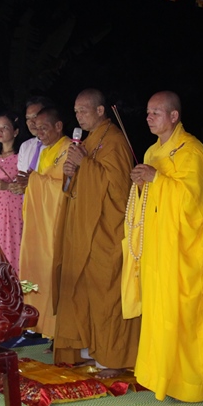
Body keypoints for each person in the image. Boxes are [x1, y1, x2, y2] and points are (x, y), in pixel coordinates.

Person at [123, 91, 203, 401]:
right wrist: (142, 185)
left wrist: (158, 181)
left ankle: (191, 383)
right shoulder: (153, 151)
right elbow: (148, 202)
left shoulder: (192, 151)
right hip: (156, 249)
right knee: (159, 314)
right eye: (148, 112)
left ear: (174, 116)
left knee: (186, 314)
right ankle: (159, 375)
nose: (149, 117)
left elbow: (195, 202)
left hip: (183, 251)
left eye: (156, 112)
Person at [52, 89, 140, 379]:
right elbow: (74, 188)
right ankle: (89, 346)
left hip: (107, 232)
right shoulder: (88, 141)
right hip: (84, 230)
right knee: (84, 290)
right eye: (76, 111)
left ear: (101, 110)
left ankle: (113, 357)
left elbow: (119, 190)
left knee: (107, 294)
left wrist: (84, 165)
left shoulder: (114, 140)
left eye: (84, 110)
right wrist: (70, 172)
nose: (78, 116)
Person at [17, 106, 69, 338]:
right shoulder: (47, 151)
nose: (40, 134)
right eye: (37, 129)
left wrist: (35, 181)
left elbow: (65, 190)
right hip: (38, 223)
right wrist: (32, 183)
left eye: (44, 128)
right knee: (31, 267)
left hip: (54, 225)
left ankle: (52, 327)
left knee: (50, 273)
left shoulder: (68, 149)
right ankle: (35, 321)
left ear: (58, 126)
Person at [0, 111, 24, 273]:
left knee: (15, 244)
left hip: (15, 208)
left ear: (15, 132)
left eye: (5, 127)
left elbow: (25, 184)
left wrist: (6, 186)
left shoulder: (21, 155)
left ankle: (19, 284)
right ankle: (2, 285)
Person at [16, 97, 54, 191]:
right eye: (28, 118)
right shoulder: (25, 146)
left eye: (35, 117)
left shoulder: (59, 145)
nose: (31, 122)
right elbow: (21, 176)